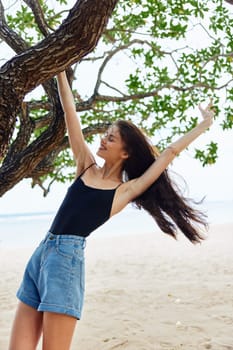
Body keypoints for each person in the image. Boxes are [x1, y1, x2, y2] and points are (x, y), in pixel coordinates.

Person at [8, 70, 214, 350]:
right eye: (105, 135)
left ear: (126, 153)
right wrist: (59, 71)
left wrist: (204, 124)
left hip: (65, 262)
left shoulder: (125, 192)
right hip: (41, 254)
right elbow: (71, 115)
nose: (103, 140)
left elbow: (168, 153)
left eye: (111, 138)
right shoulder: (86, 165)